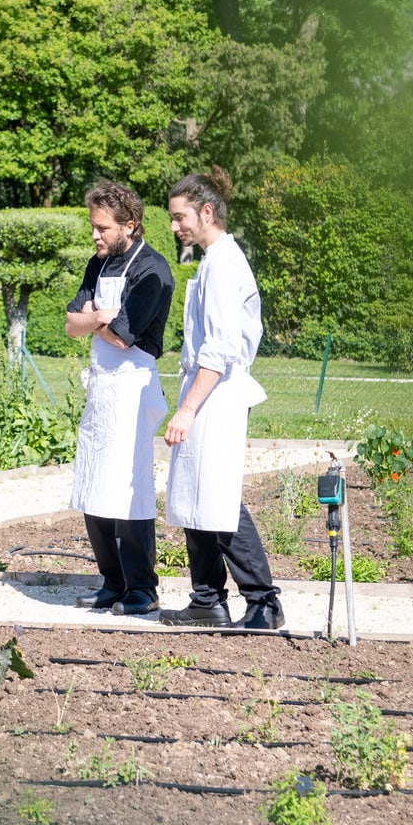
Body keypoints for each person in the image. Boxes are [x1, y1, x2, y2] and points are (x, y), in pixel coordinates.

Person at [158, 167, 285, 631]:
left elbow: (220, 346)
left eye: (179, 217)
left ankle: (263, 602)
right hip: (207, 388)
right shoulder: (212, 260)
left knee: (217, 496)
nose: (174, 227)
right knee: (195, 495)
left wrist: (188, 408)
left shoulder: (226, 263)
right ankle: (207, 599)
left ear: (206, 212)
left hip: (217, 393)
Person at [64, 181, 174, 617]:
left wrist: (96, 320)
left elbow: (126, 337)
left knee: (129, 489)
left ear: (129, 225)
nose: (95, 235)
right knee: (94, 484)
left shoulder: (153, 271)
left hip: (133, 387)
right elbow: (72, 323)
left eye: (102, 228)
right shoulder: (99, 263)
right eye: (93, 226)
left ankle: (142, 588)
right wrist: (98, 317)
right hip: (101, 386)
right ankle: (111, 582)